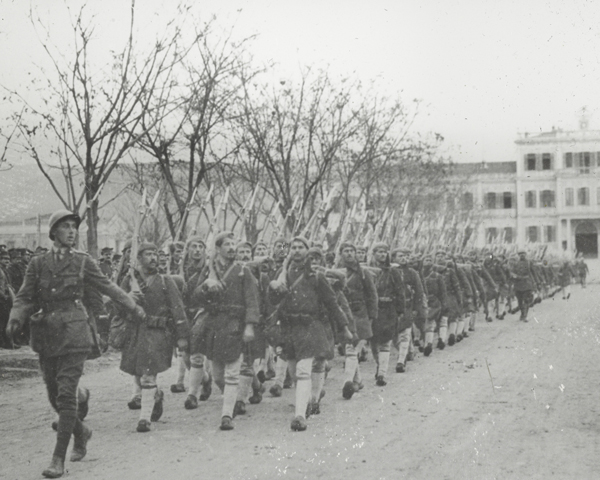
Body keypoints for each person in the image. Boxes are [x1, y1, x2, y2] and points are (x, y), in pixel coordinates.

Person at [6, 210, 145, 478]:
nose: (71, 231)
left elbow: (108, 287)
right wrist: (15, 318)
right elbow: (24, 296)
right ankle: (82, 433)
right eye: (65, 227)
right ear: (53, 232)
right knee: (53, 394)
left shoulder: (83, 262)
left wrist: (132, 305)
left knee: (66, 395)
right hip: (46, 335)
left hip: (75, 333)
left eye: (74, 227)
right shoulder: (37, 264)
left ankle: (58, 458)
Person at [269, 237, 351, 431]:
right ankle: (310, 399)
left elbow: (332, 303)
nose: (297, 251)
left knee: (304, 370)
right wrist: (273, 288)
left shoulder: (316, 276)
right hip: (289, 328)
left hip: (310, 326)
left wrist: (344, 327)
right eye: (293, 247)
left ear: (307, 251)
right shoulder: (282, 274)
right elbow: (272, 302)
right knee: (293, 372)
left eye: (301, 248)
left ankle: (299, 415)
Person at [119, 242, 189, 433]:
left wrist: (182, 336)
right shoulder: (129, 280)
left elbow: (178, 309)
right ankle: (156, 396)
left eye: (155, 254)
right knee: (138, 374)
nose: (153, 258)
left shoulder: (166, 281)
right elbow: (117, 308)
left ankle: (144, 418)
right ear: (139, 258)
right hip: (135, 333)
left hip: (158, 333)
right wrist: (128, 297)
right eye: (148, 254)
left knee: (148, 375)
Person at [197, 232, 260, 430]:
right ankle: (231, 399)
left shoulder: (243, 271)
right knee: (217, 375)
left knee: (233, 373)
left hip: (235, 324)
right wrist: (206, 286)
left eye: (234, 244)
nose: (232, 248)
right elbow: (194, 295)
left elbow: (252, 300)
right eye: (227, 244)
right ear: (218, 249)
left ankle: (226, 415)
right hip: (214, 325)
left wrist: (250, 326)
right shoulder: (209, 270)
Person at [509, 249, 536, 322]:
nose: (522, 255)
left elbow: (534, 273)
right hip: (518, 284)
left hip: (527, 283)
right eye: (520, 254)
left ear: (525, 254)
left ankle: (525, 315)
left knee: (526, 300)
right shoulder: (515, 263)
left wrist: (535, 282)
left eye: (523, 254)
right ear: (518, 255)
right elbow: (512, 272)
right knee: (520, 301)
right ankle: (522, 313)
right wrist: (513, 277)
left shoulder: (529, 263)